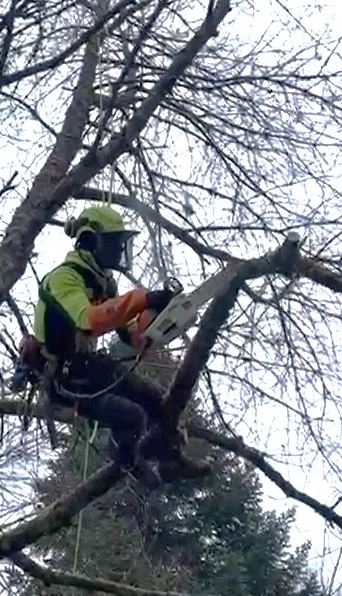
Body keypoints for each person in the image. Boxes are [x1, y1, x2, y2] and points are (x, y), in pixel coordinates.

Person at [12, 205, 210, 481]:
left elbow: (129, 334)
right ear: (92, 240)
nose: (119, 251)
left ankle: (170, 460)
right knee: (130, 416)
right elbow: (88, 320)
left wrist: (156, 316)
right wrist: (142, 299)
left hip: (89, 368)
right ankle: (126, 461)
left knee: (154, 400)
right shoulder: (63, 279)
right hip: (62, 380)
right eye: (115, 243)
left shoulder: (105, 284)